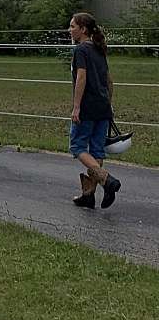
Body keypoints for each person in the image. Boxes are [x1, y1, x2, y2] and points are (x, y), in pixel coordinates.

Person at [68, 12, 121, 209]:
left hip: (88, 107)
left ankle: (108, 181)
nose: (70, 30)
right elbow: (109, 80)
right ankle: (88, 195)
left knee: (77, 147)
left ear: (83, 30)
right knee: (97, 150)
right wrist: (109, 103)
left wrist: (76, 106)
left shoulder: (81, 50)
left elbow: (81, 77)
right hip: (103, 107)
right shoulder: (99, 48)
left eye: (73, 26)